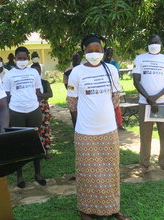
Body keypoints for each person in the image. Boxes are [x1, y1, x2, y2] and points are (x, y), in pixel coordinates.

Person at [67, 34, 130, 220]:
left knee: (111, 170)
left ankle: (112, 207)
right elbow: (72, 103)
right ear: (84, 51)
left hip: (108, 130)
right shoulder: (76, 72)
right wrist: (79, 125)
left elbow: (115, 99)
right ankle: (85, 210)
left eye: (98, 50)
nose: (94, 54)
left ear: (103, 51)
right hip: (85, 131)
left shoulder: (111, 70)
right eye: (90, 51)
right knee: (86, 172)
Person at [3, 46, 46, 188]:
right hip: (16, 111)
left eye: (24, 58)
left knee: (35, 141)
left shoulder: (33, 72)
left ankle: (38, 174)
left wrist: (36, 102)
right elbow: (7, 95)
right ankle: (20, 176)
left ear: (28, 58)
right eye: (19, 59)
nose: (22, 61)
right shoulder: (9, 74)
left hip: (33, 111)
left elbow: (39, 91)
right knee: (19, 143)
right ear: (15, 59)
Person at [133, 34, 164, 173]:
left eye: (156, 42)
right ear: (148, 44)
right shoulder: (140, 58)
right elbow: (136, 80)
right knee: (145, 136)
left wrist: (155, 97)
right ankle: (144, 164)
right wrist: (148, 98)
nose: (154, 44)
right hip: (145, 103)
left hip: (163, 102)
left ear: (161, 43)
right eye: (152, 42)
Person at [31, 63, 53, 152]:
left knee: (45, 129)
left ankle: (46, 151)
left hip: (44, 108)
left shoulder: (44, 82)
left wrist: (41, 95)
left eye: (38, 70)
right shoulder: (29, 83)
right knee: (34, 130)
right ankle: (35, 151)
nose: (37, 72)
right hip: (32, 108)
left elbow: (50, 94)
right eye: (34, 70)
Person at [103, 48, 126, 131]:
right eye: (107, 53)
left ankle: (119, 124)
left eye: (111, 53)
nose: (109, 55)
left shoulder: (114, 63)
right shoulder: (101, 63)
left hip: (114, 88)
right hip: (103, 88)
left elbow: (115, 75)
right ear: (104, 53)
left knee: (116, 107)